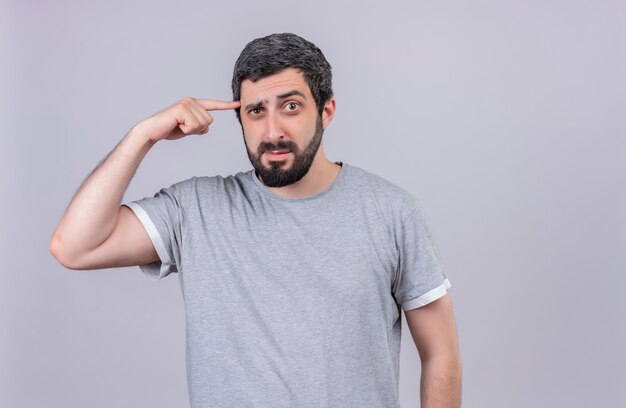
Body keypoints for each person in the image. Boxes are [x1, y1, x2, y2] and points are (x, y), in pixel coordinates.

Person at [50, 33, 462, 408]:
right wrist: (144, 136)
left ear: (327, 110)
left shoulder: (393, 213)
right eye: (255, 111)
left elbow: (440, 353)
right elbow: (75, 247)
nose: (272, 130)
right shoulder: (196, 209)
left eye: (291, 106)